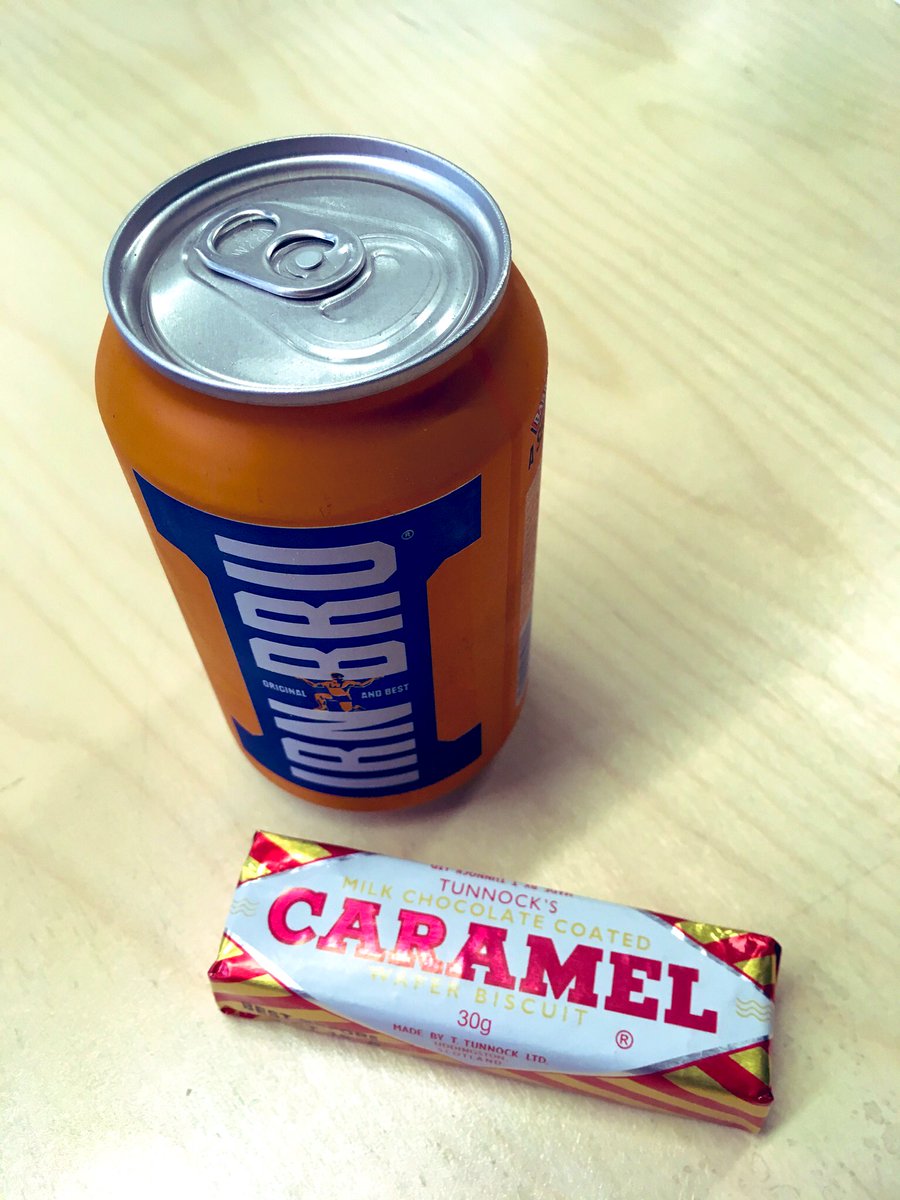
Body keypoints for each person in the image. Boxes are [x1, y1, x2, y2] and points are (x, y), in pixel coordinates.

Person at [298, 672, 378, 712]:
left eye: (339, 679)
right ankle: (323, 707)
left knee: (348, 711)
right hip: (333, 696)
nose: (337, 680)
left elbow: (362, 685)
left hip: (344, 698)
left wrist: (373, 679)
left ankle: (356, 707)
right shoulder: (328, 683)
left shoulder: (347, 683)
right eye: (336, 679)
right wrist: (303, 679)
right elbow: (314, 685)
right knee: (318, 695)